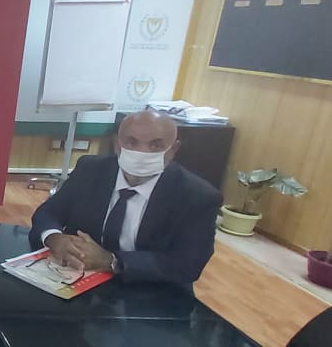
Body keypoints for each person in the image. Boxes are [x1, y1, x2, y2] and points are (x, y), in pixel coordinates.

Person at [28, 110, 222, 286]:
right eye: (131, 142)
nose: (142, 152)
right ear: (117, 144)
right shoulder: (90, 169)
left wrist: (111, 261)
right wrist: (54, 238)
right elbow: (48, 212)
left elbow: (188, 264)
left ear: (173, 149)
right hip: (78, 277)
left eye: (156, 145)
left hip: (150, 289)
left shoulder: (198, 197)